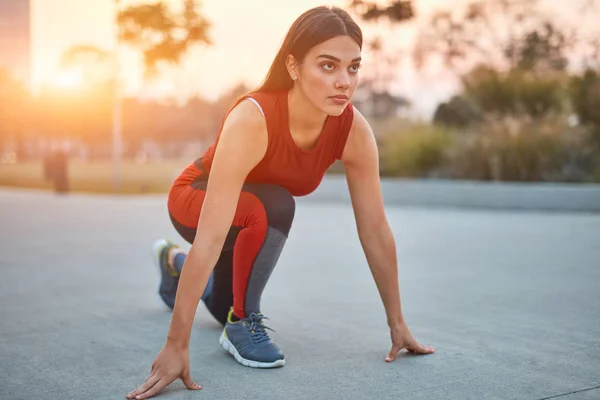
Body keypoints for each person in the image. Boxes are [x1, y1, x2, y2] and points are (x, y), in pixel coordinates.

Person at [126, 5, 435, 399]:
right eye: (327, 66)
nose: (344, 81)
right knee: (273, 206)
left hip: (249, 225)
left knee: (221, 303)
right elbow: (210, 237)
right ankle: (242, 322)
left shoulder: (353, 130)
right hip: (197, 199)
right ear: (293, 65)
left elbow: (374, 228)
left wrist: (397, 322)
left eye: (353, 67)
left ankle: (174, 266)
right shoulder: (253, 119)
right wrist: (175, 345)